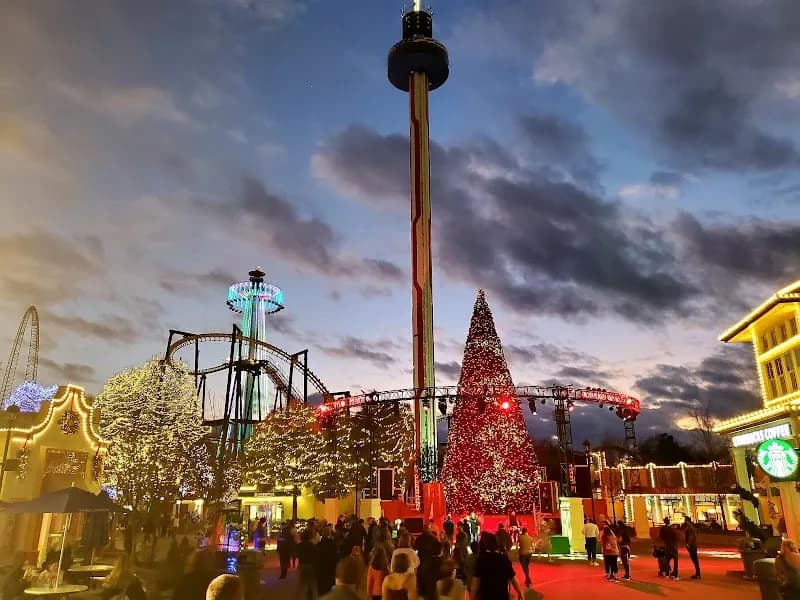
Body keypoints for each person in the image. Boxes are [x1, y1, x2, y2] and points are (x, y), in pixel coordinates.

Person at [470, 533, 524, 600]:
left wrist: (471, 598)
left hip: (486, 596)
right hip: (502, 596)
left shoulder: (482, 560)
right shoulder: (504, 559)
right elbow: (513, 578)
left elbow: (476, 582)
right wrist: (520, 592)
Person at [314, 525, 339, 597]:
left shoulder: (318, 545)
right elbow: (335, 557)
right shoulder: (332, 544)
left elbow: (316, 558)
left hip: (320, 570)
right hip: (330, 570)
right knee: (330, 590)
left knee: (321, 590)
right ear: (329, 534)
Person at [297, 528, 317, 600]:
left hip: (302, 564)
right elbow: (315, 555)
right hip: (310, 565)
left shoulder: (299, 545)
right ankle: (309, 596)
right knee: (310, 584)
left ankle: (301, 597)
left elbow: (297, 555)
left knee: (301, 584)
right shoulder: (312, 545)